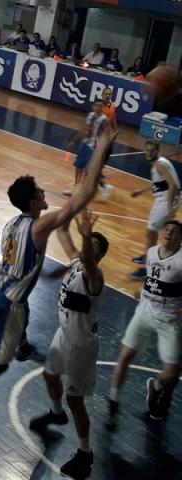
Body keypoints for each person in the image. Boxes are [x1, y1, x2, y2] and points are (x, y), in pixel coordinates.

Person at [0, 130, 116, 431]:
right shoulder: (39, 226)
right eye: (41, 193)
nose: (44, 195)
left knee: (23, 311)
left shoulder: (12, 223)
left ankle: (21, 344)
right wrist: (100, 150)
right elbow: (84, 196)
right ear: (34, 202)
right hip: (8, 302)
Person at [29, 210, 109, 480]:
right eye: (90, 242)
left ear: (100, 255)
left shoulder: (94, 277)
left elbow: (85, 257)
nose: (90, 247)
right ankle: (55, 414)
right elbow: (64, 236)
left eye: (96, 246)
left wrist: (86, 234)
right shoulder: (76, 263)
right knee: (49, 375)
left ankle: (85, 454)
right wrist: (65, 214)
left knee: (75, 400)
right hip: (63, 335)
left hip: (81, 345)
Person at [108, 219, 182, 428]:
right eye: (166, 229)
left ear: (180, 239)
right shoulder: (151, 253)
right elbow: (153, 278)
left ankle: (156, 387)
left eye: (175, 231)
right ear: (160, 233)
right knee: (125, 355)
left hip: (169, 320)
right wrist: (143, 289)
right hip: (145, 313)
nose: (169, 233)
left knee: (172, 372)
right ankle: (113, 400)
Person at [129, 141, 181, 278]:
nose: (149, 153)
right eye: (147, 150)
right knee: (153, 232)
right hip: (161, 199)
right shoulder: (158, 163)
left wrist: (170, 208)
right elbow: (160, 184)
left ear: (157, 151)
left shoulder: (160, 164)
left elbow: (173, 186)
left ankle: (147, 268)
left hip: (167, 200)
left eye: (152, 150)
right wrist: (142, 190)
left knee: (151, 231)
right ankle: (148, 256)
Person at [63, 100, 107, 196]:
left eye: (101, 106)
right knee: (78, 166)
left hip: (94, 147)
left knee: (88, 170)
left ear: (103, 107)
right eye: (97, 105)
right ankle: (75, 188)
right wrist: (74, 142)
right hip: (85, 144)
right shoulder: (90, 115)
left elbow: (105, 135)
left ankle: (82, 191)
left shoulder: (104, 119)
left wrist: (101, 148)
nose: (99, 107)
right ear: (93, 106)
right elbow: (84, 129)